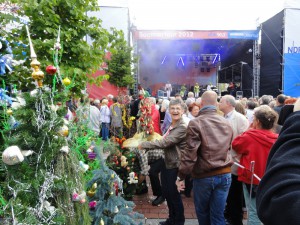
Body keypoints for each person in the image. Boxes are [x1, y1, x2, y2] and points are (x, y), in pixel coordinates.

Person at [176, 91, 233, 225]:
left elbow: (190, 154)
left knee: (203, 214)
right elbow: (228, 147)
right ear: (216, 104)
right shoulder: (226, 122)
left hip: (205, 175)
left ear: (201, 104)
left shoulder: (196, 123)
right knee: (218, 216)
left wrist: (181, 176)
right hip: (225, 173)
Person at [138, 99, 187, 225]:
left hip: (174, 164)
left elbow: (165, 142)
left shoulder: (182, 127)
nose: (175, 111)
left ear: (182, 111)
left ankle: (178, 221)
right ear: (169, 110)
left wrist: (145, 145)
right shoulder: (173, 124)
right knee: (167, 193)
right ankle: (171, 219)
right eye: (173, 108)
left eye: (178, 109)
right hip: (167, 161)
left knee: (174, 195)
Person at [256, 98, 300, 225]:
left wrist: (297, 121)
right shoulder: (277, 135)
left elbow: (280, 202)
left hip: (255, 179)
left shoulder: (248, 136)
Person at [232, 105, 278, 225]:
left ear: (257, 121)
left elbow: (236, 145)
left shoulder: (249, 136)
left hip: (252, 178)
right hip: (271, 179)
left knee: (253, 211)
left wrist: (250, 129)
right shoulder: (278, 138)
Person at [218, 95, 249, 225]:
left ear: (229, 104)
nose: (219, 103)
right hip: (225, 161)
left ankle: (236, 220)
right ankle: (230, 215)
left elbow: (245, 140)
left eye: (221, 101)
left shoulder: (240, 119)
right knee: (229, 193)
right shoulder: (223, 117)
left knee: (235, 193)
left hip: (235, 162)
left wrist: (235, 155)